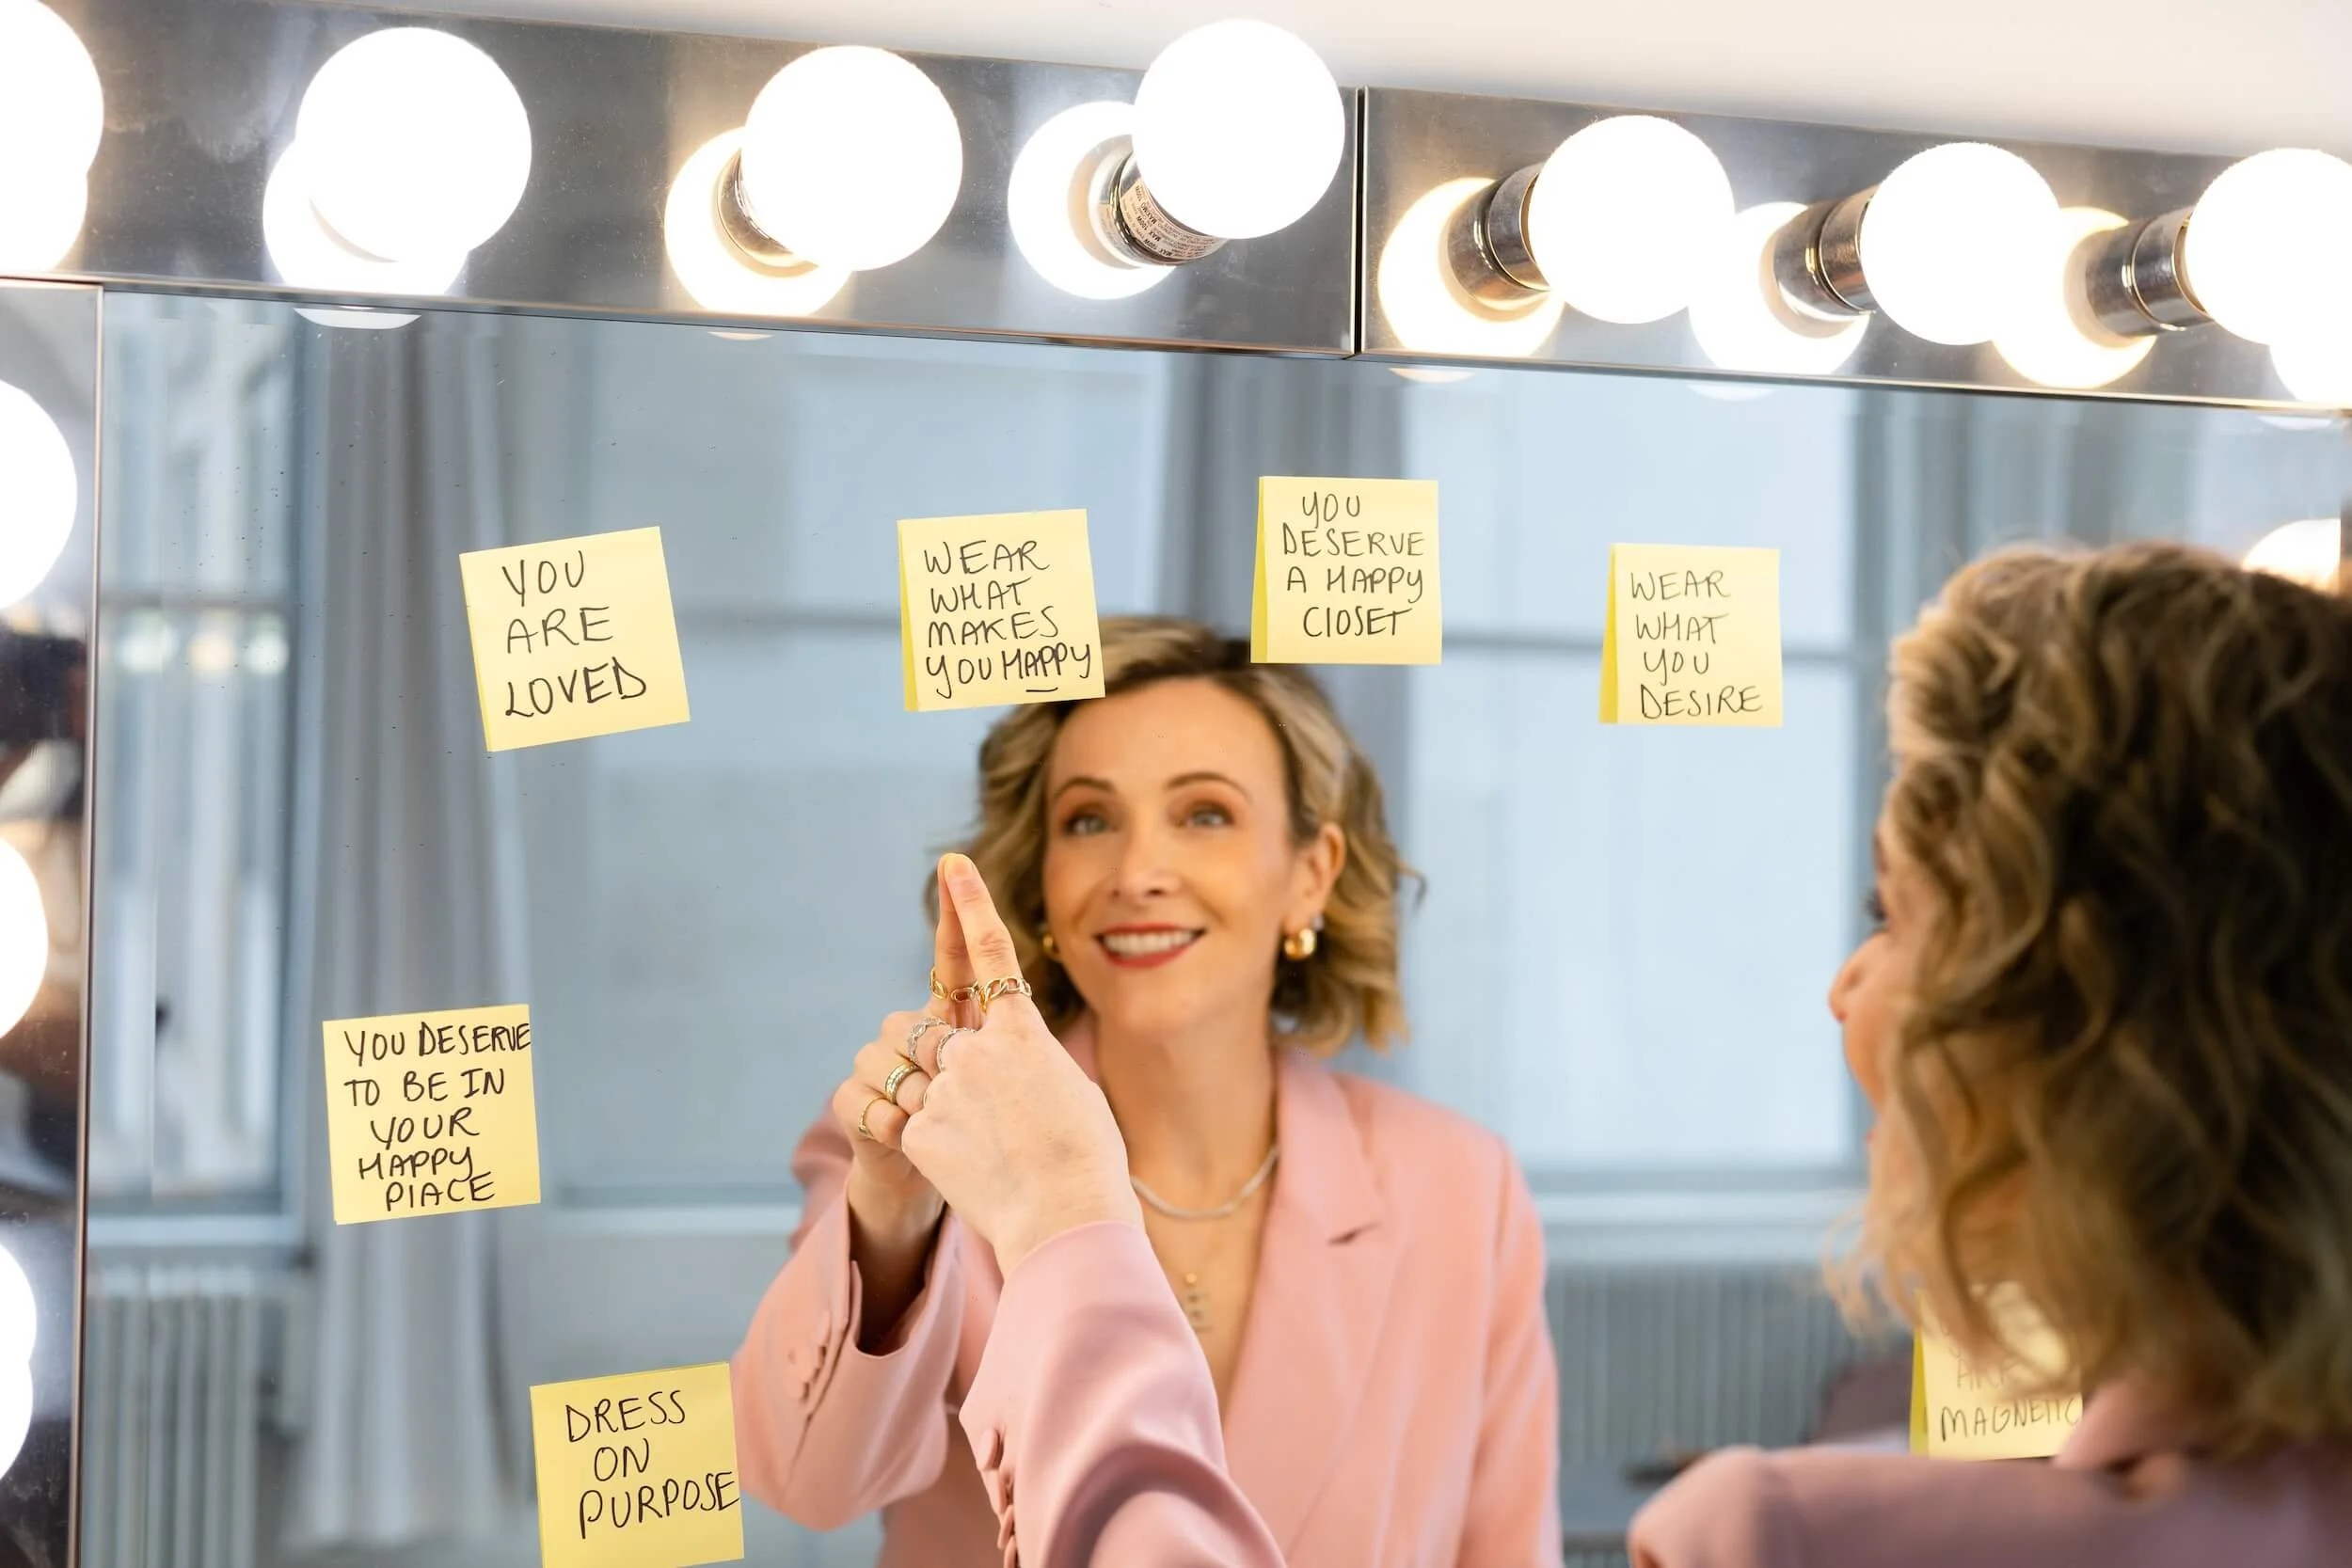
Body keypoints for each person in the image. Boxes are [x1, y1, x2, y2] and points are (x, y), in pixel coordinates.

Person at [731, 619, 1563, 1566]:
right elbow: (809, 1483)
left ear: (1310, 874)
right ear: (1039, 886)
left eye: (1205, 812)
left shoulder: (1462, 1188)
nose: (1135, 874)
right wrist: (893, 1213)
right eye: (1088, 820)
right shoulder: (910, 1143)